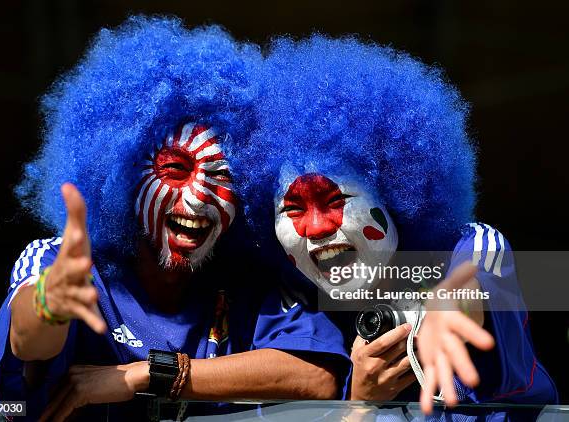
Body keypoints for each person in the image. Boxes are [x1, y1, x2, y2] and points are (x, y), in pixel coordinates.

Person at [0, 18, 349, 421]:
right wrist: (49, 304)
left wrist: (149, 374)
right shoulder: (65, 262)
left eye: (222, 178)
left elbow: (317, 377)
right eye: (175, 170)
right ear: (123, 175)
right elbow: (26, 342)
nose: (197, 202)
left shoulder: (247, 280)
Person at [236, 35, 558, 417]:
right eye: (293, 209)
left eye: (334, 201)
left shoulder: (469, 244)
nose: (316, 228)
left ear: (393, 193)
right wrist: (359, 400)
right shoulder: (294, 302)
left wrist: (445, 308)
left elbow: (475, 280)